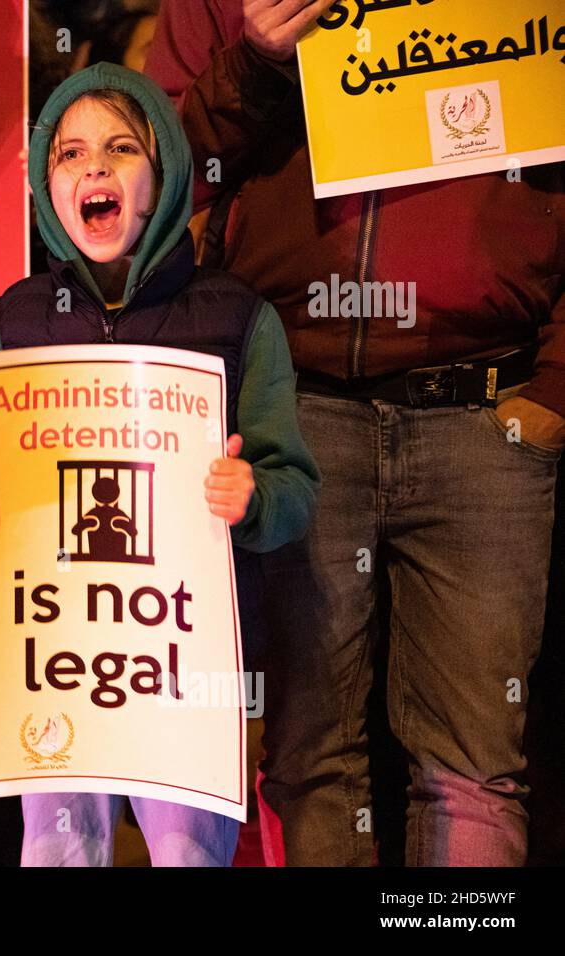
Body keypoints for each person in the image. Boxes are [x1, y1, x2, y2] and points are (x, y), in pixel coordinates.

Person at [146, 0, 565, 865]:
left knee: (474, 770)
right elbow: (157, 176)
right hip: (297, 410)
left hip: (490, 405)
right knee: (308, 759)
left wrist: (557, 387)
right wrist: (256, 60)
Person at [0, 62, 318, 867]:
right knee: (57, 851)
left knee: (185, 856)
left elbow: (296, 491)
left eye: (120, 148)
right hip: (50, 658)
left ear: (165, 172)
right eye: (70, 155)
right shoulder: (12, 319)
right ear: (48, 186)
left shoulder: (236, 316)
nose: (95, 168)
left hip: (185, 663)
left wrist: (253, 497)